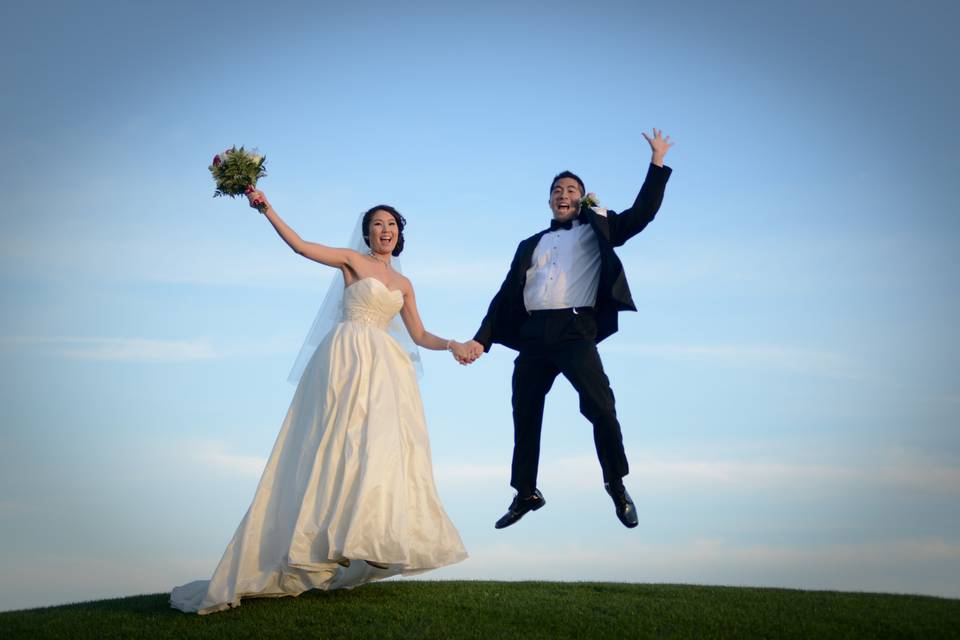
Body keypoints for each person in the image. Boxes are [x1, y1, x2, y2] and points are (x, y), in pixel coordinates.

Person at [171, 194, 470, 614]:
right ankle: (328, 537)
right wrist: (266, 208)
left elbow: (420, 335)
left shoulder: (404, 285)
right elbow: (299, 246)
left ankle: (368, 535)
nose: (385, 230)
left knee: (380, 448)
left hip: (386, 368)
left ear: (400, 234)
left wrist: (454, 344)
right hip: (347, 356)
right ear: (367, 232)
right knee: (339, 443)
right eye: (378, 224)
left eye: (392, 225)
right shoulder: (351, 260)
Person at [459, 128, 674, 530]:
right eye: (557, 189)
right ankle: (525, 492)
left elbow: (641, 214)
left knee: (601, 406)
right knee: (524, 410)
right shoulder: (531, 243)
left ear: (582, 198)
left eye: (572, 189)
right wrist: (480, 340)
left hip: (575, 330)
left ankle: (616, 484)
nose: (563, 193)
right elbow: (506, 294)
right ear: (549, 199)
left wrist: (657, 162)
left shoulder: (599, 231)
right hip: (534, 335)